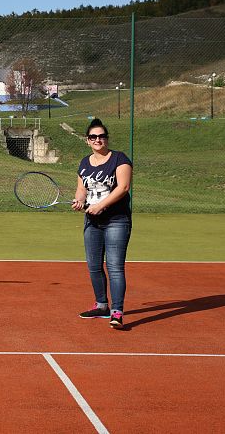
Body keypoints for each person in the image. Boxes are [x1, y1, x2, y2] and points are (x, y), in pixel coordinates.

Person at [72, 118, 133, 330]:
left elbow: (123, 187)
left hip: (116, 221)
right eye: (93, 137)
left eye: (101, 136)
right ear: (87, 140)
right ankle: (101, 305)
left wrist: (101, 206)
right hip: (92, 223)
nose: (98, 140)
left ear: (106, 138)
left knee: (115, 267)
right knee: (94, 266)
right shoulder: (84, 163)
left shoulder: (119, 159)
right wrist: (80, 200)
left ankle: (117, 311)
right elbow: (82, 188)